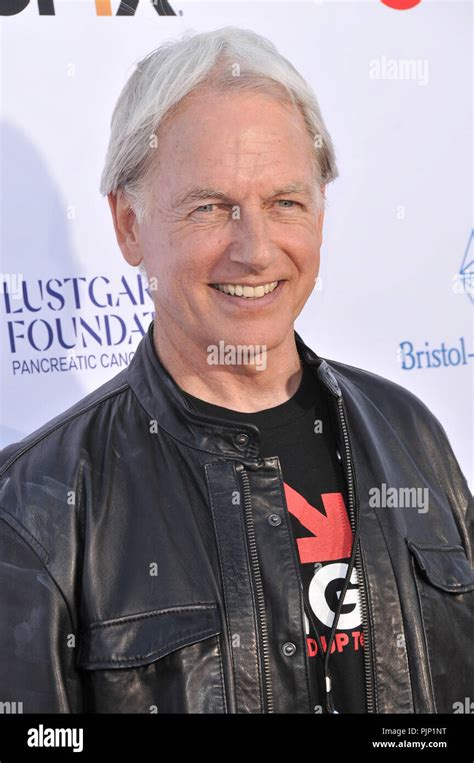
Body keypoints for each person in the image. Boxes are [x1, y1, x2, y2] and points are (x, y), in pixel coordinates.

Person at [0, 27, 472, 715]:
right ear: (129, 226)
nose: (255, 249)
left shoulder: (411, 432)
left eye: (285, 202)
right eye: (211, 208)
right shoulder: (38, 505)